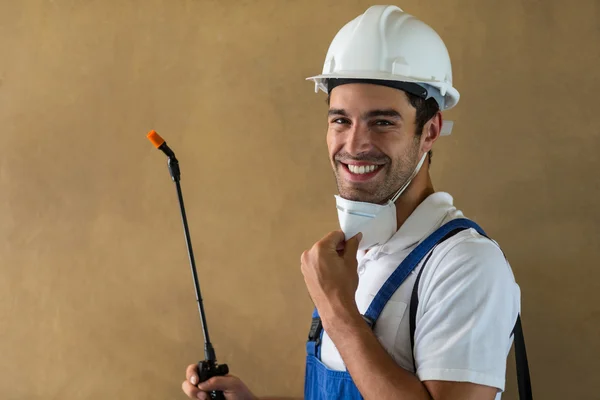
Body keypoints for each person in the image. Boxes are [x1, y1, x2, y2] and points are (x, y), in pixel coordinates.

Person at [182, 5, 523, 400]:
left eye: (382, 122)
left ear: (430, 132)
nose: (355, 144)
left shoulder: (465, 266)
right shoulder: (357, 255)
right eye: (340, 120)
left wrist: (337, 310)